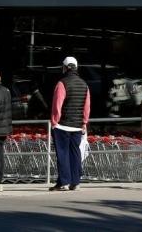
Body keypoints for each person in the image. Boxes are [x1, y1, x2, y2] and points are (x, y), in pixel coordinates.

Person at [49, 56, 91, 191]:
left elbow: (57, 104)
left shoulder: (62, 83)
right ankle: (75, 181)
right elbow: (87, 106)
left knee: (63, 154)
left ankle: (64, 182)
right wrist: (84, 122)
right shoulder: (84, 84)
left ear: (65, 67)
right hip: (77, 125)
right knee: (75, 153)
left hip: (62, 125)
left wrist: (55, 121)